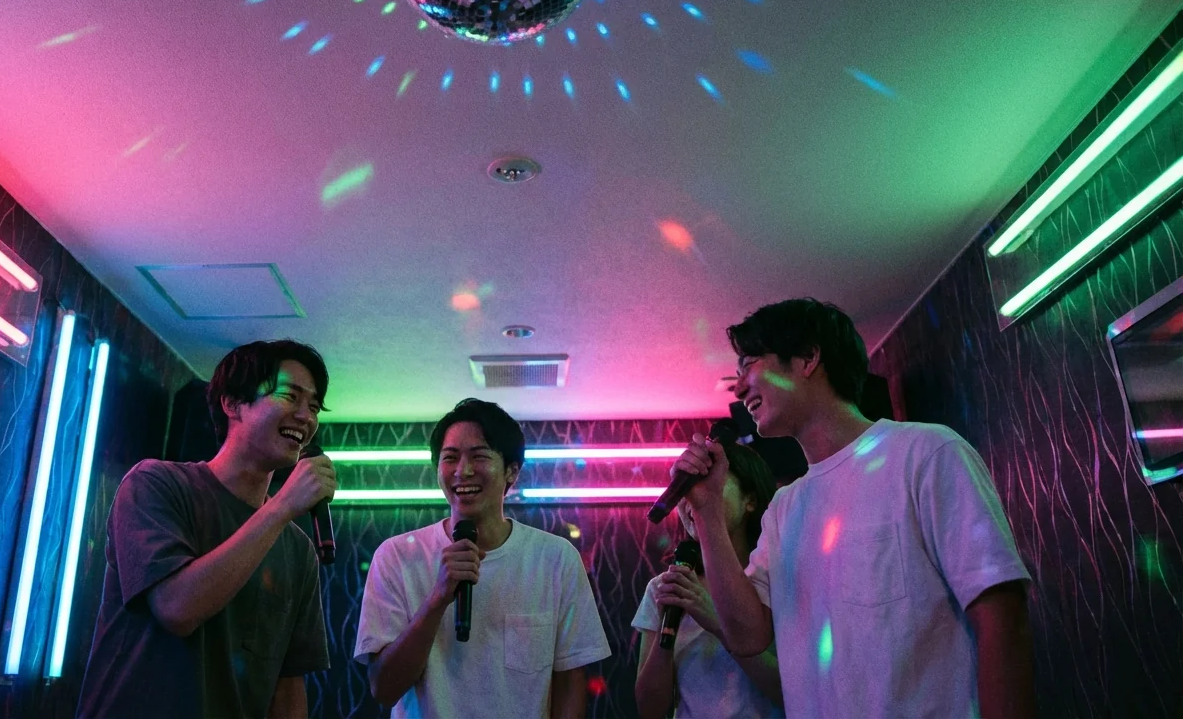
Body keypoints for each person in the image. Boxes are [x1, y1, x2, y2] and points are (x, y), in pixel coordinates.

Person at [670, 299, 1035, 718]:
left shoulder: (926, 452)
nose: (737, 388)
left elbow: (1001, 615)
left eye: (749, 364)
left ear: (808, 358)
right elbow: (746, 636)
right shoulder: (784, 508)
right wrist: (707, 513)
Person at [77, 340, 337, 718]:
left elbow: (287, 685)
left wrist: (280, 513)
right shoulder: (156, 484)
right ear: (232, 403)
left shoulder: (298, 551)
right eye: (289, 396)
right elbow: (176, 608)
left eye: (313, 406)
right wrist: (282, 508)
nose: (305, 417)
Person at [354, 398, 611, 718]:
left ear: (511, 471)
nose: (462, 471)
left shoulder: (556, 559)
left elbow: (570, 682)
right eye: (450, 458)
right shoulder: (396, 556)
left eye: (479, 456)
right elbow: (384, 689)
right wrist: (437, 598)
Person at [634, 426, 784, 719]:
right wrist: (666, 627)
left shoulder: (779, 578)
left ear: (750, 500)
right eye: (685, 490)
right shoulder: (666, 587)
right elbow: (650, 710)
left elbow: (791, 691)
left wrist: (717, 622)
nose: (693, 500)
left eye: (707, 484)